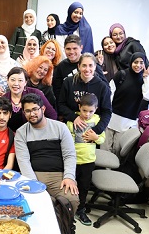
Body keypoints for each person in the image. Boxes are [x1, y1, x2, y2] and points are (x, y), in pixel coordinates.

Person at [15, 93, 79, 213]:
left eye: (35, 109)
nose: (32, 114)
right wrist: (33, 183)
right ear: (24, 113)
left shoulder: (61, 127)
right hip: (35, 175)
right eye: (27, 111)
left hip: (59, 176)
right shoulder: (21, 132)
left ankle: (64, 228)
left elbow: (69, 155)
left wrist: (69, 177)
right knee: (41, 203)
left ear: (43, 109)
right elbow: (23, 161)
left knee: (71, 200)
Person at [102, 52, 149, 153]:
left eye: (141, 62)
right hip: (112, 116)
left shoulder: (145, 80)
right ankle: (104, 167)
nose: (138, 65)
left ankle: (113, 168)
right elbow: (109, 93)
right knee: (105, 147)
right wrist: (106, 111)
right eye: (135, 62)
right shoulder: (122, 74)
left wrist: (146, 78)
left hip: (127, 120)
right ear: (131, 62)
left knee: (118, 149)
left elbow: (148, 97)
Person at [66, 93, 105, 226]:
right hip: (73, 160)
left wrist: (96, 138)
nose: (87, 114)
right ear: (79, 107)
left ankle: (81, 209)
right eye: (84, 110)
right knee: (71, 186)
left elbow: (102, 138)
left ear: (96, 109)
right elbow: (67, 139)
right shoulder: (73, 120)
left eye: (91, 111)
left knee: (84, 186)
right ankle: (70, 208)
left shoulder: (98, 120)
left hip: (88, 160)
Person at [57, 53, 112, 136]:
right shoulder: (68, 82)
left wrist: (95, 131)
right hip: (70, 128)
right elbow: (61, 104)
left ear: (95, 67)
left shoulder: (102, 87)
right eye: (84, 65)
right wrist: (74, 117)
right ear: (79, 66)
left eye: (90, 65)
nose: (87, 69)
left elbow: (107, 112)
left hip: (92, 131)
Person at [52, 35, 106, 102]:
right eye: (68, 49)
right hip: (70, 108)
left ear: (81, 48)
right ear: (64, 49)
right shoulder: (61, 67)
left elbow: (106, 88)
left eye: (75, 48)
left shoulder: (91, 64)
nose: (71, 52)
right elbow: (57, 90)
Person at [3, 67, 57, 132]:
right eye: (13, 80)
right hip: (11, 136)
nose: (16, 84)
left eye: (20, 80)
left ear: (25, 82)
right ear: (7, 81)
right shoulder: (3, 99)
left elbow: (52, 115)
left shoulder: (35, 93)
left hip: (34, 134)